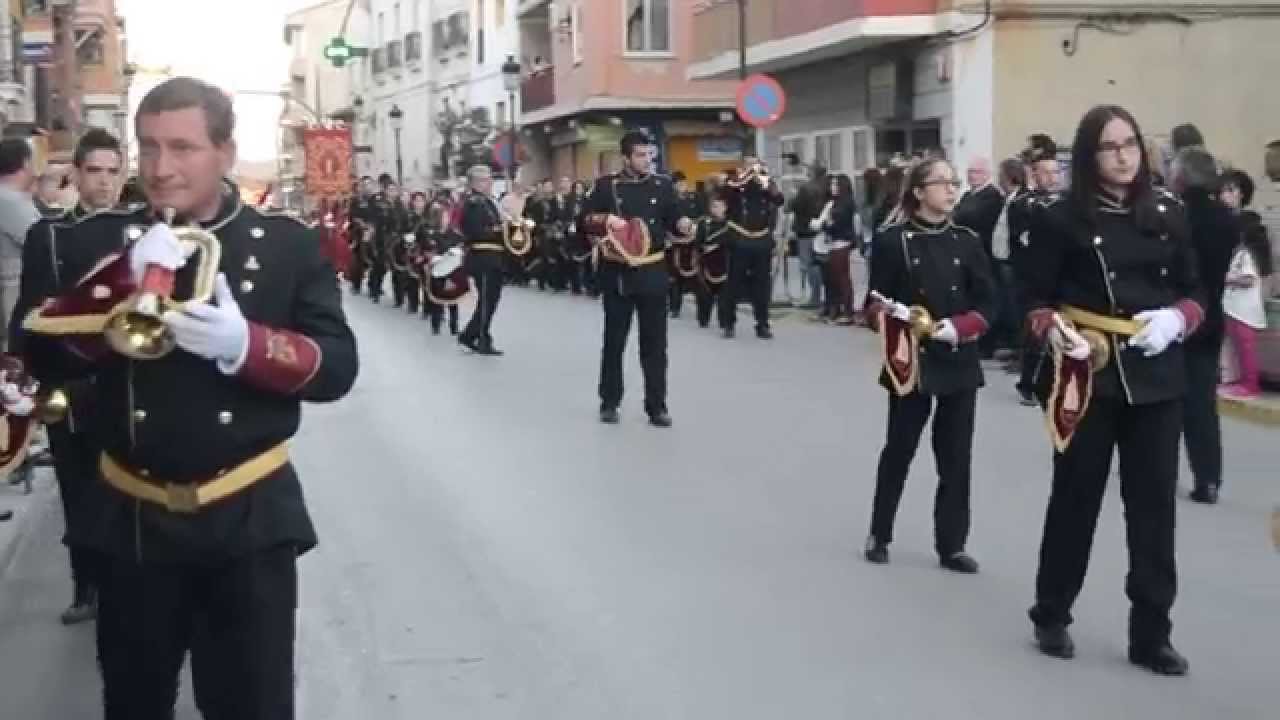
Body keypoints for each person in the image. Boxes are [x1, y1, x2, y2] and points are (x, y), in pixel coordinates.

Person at [18, 76, 358, 717]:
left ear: (225, 153)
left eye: (182, 148)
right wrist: (118, 285)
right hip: (133, 519)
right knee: (135, 703)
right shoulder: (96, 240)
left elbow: (337, 367)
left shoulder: (283, 243)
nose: (160, 168)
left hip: (249, 518)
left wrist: (245, 345)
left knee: (251, 706)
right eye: (147, 148)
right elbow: (34, 351)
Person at [1023, 105, 1203, 676]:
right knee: (1076, 499)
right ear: (1089, 155)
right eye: (1110, 146)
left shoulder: (1169, 213)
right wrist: (1055, 334)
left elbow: (1198, 289)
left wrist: (1179, 319)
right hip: (1088, 371)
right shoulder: (1062, 219)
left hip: (1156, 375)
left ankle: (1151, 633)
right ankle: (1052, 610)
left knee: (1153, 511)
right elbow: (1031, 300)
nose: (1124, 155)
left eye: (1130, 143)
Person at [11, 128, 123, 625]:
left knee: (130, 491)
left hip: (129, 385)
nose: (103, 182)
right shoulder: (49, 235)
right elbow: (29, 313)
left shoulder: (144, 232)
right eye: (94, 171)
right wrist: (19, 376)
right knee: (78, 492)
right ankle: (87, 585)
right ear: (76, 174)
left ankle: (137, 584)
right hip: (70, 386)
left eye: (112, 171)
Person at [863, 158, 995, 573]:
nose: (952, 190)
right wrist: (890, 315)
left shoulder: (967, 240)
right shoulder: (891, 240)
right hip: (911, 361)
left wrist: (960, 328)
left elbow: (990, 301)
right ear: (919, 192)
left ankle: (951, 544)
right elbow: (872, 302)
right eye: (942, 183)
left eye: (955, 183)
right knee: (899, 449)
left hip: (957, 355)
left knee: (956, 456)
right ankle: (880, 532)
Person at [584, 130, 691, 426]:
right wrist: (606, 220)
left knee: (655, 344)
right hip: (619, 271)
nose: (647, 160)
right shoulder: (607, 187)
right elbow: (584, 220)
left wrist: (684, 224)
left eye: (650, 154)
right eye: (641, 155)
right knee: (615, 340)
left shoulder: (664, 185)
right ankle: (609, 401)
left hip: (653, 269)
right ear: (626, 158)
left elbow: (674, 218)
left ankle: (656, 405)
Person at [1170, 147, 1236, 505]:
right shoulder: (1227, 218)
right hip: (1212, 316)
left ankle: (1160, 469)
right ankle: (1208, 477)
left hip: (1179, 314)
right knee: (1202, 403)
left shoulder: (1177, 215)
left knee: (1165, 400)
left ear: (1181, 177)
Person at [1012, 135, 1063, 406]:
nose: (1054, 178)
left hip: (1059, 274)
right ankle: (1028, 382)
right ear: (1035, 175)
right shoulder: (1026, 203)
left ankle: (1053, 379)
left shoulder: (1064, 201)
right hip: (1030, 275)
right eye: (1048, 173)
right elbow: (1022, 237)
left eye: (1057, 172)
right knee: (1035, 331)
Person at [720, 155, 784, 339]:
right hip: (740, 239)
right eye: (750, 165)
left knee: (762, 285)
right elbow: (725, 196)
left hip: (761, 240)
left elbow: (779, 200)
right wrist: (743, 179)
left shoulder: (765, 184)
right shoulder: (735, 183)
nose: (755, 168)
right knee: (733, 282)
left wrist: (766, 184)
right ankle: (729, 322)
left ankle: (762, 323)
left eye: (757, 165)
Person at [1219, 169, 1269, 398]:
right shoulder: (1222, 223)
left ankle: (1250, 382)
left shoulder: (1249, 233)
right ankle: (1236, 378)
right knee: (1233, 343)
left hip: (1242, 300)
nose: (1224, 196)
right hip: (1230, 299)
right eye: (1222, 190)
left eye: (1231, 190)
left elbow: (1251, 274)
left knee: (1244, 342)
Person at [458, 165, 507, 356]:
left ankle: (471, 334)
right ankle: (481, 337)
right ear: (475, 182)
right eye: (486, 180)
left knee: (491, 300)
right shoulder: (473, 203)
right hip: (482, 258)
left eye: (489, 179)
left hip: (493, 257)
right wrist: (500, 230)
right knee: (487, 301)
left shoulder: (486, 202)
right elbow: (476, 231)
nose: (490, 183)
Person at [0, 139, 39, 353]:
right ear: (25, 162)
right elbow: (39, 237)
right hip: (12, 294)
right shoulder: (7, 200)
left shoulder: (13, 198)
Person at [819, 173, 859, 324]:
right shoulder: (835, 202)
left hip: (842, 242)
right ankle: (837, 309)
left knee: (842, 278)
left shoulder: (845, 203)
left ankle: (847, 311)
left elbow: (837, 223)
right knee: (835, 277)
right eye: (831, 185)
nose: (832, 187)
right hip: (835, 242)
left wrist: (829, 223)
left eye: (835, 185)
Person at [419, 199, 462, 335]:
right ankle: (435, 325)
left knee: (453, 300)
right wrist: (432, 257)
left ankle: (454, 327)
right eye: (443, 216)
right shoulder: (431, 234)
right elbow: (427, 250)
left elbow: (461, 247)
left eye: (447, 216)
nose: (446, 219)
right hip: (437, 270)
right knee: (437, 299)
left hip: (452, 269)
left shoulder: (454, 234)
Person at [667, 171, 704, 318]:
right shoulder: (670, 201)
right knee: (675, 279)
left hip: (694, 244)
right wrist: (672, 235)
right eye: (679, 184)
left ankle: (702, 311)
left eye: (684, 183)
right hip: (677, 244)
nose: (683, 186)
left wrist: (694, 229)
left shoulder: (694, 198)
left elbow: (702, 216)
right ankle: (675, 308)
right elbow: (667, 221)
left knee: (698, 279)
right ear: (674, 186)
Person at [698, 191, 733, 330]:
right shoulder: (704, 224)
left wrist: (719, 245)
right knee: (705, 294)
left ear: (725, 207)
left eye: (719, 206)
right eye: (713, 206)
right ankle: (703, 318)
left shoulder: (731, 225)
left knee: (725, 296)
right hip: (707, 264)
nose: (716, 209)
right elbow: (698, 242)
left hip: (725, 263)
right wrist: (703, 248)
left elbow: (734, 243)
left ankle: (725, 323)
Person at [346, 176, 379, 296]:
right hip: (359, 234)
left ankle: (374, 286)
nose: (367, 187)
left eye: (369, 184)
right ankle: (356, 284)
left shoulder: (376, 200)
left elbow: (378, 215)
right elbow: (352, 216)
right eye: (365, 184)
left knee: (376, 261)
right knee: (358, 261)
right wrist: (363, 225)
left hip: (374, 234)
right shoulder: (356, 200)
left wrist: (372, 227)